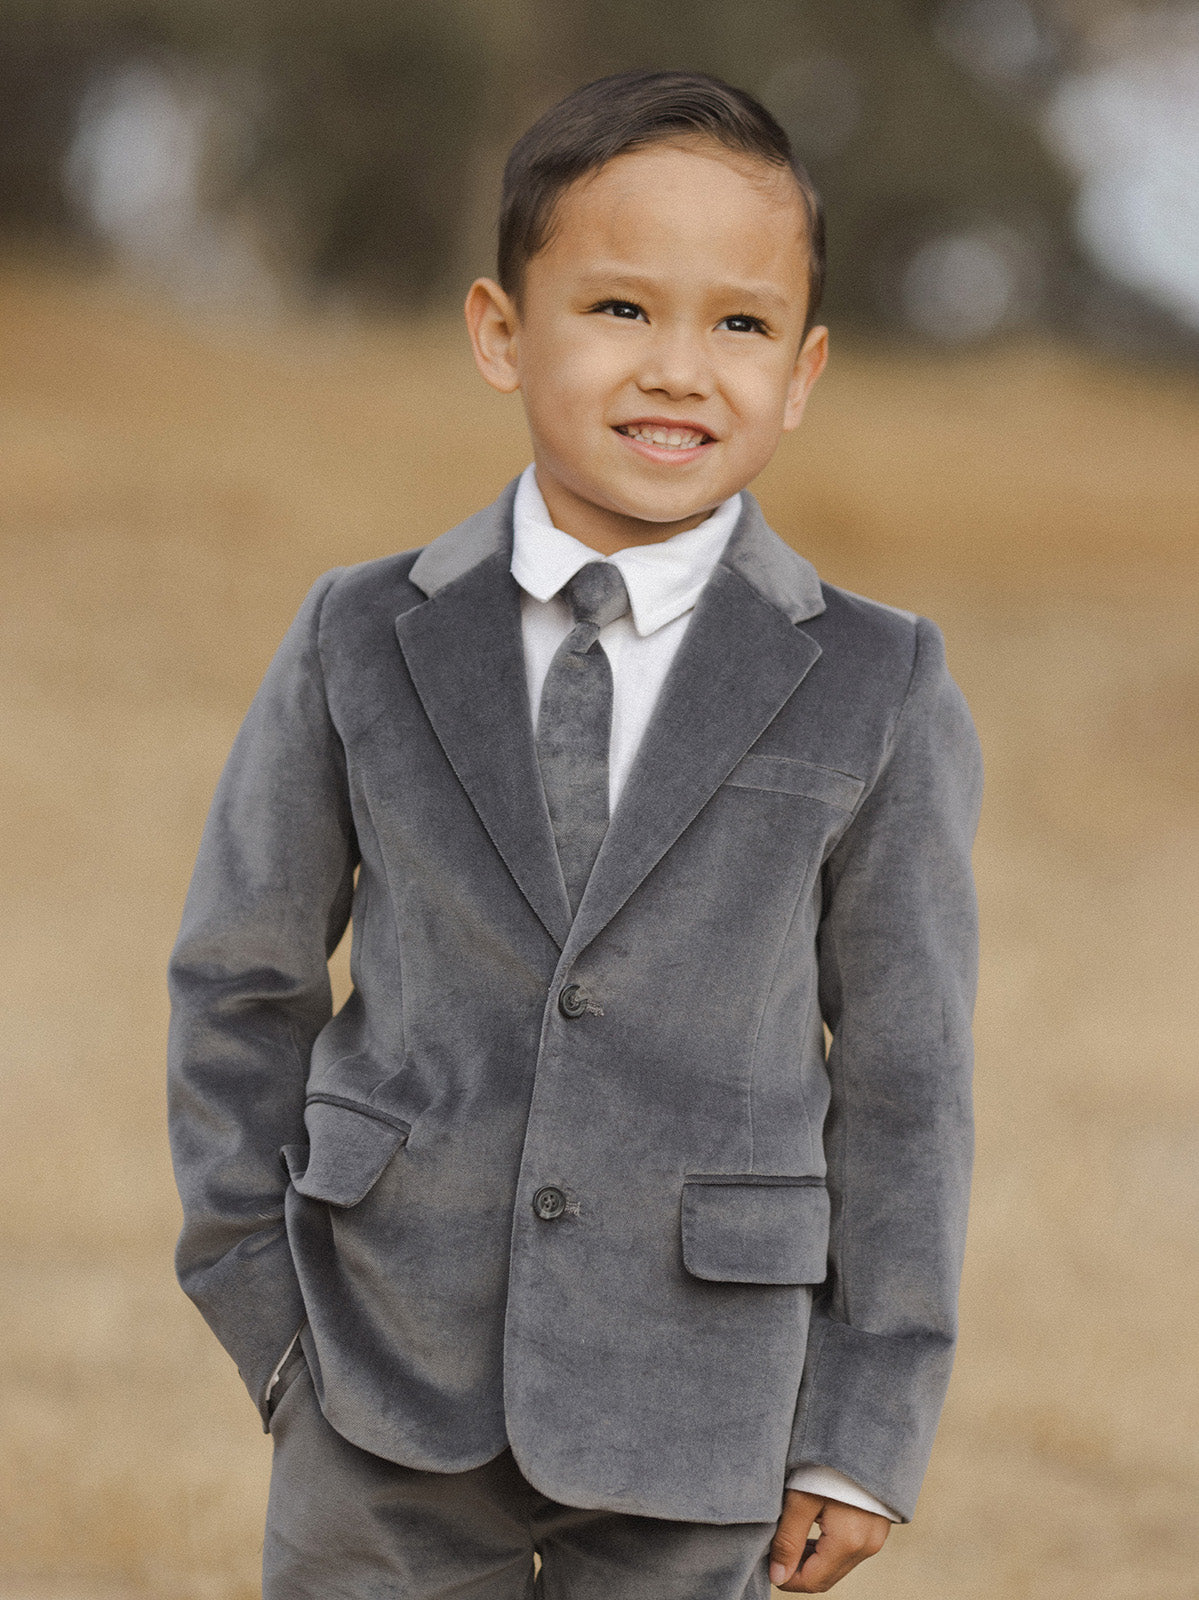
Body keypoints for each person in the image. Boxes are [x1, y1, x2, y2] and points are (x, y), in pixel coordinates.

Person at [168, 69, 982, 1599]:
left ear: (803, 371)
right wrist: (267, 1317)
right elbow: (240, 985)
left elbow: (905, 1077)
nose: (679, 369)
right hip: (378, 1391)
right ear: (501, 331)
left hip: (709, 1411)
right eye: (618, 308)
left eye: (738, 325)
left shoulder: (880, 678)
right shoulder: (360, 631)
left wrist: (862, 1425)